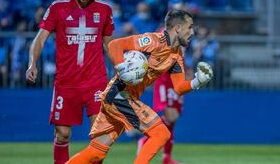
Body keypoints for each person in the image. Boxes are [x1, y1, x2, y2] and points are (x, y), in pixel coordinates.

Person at [66, 9, 213, 164]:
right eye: (189, 27)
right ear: (177, 27)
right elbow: (116, 44)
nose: (192, 32)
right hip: (119, 94)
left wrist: (197, 81)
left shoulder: (176, 56)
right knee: (161, 133)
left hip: (120, 98)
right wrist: (121, 68)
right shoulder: (153, 41)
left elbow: (178, 88)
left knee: (96, 153)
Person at [25, 0, 114, 164]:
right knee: (63, 134)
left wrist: (121, 69)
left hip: (95, 81)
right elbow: (39, 39)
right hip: (66, 82)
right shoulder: (58, 8)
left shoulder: (104, 10)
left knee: (99, 135)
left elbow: (109, 46)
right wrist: (32, 64)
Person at [137, 72, 184, 164]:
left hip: (177, 79)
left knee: (173, 118)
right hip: (165, 80)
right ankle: (147, 140)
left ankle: (166, 158)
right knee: (171, 116)